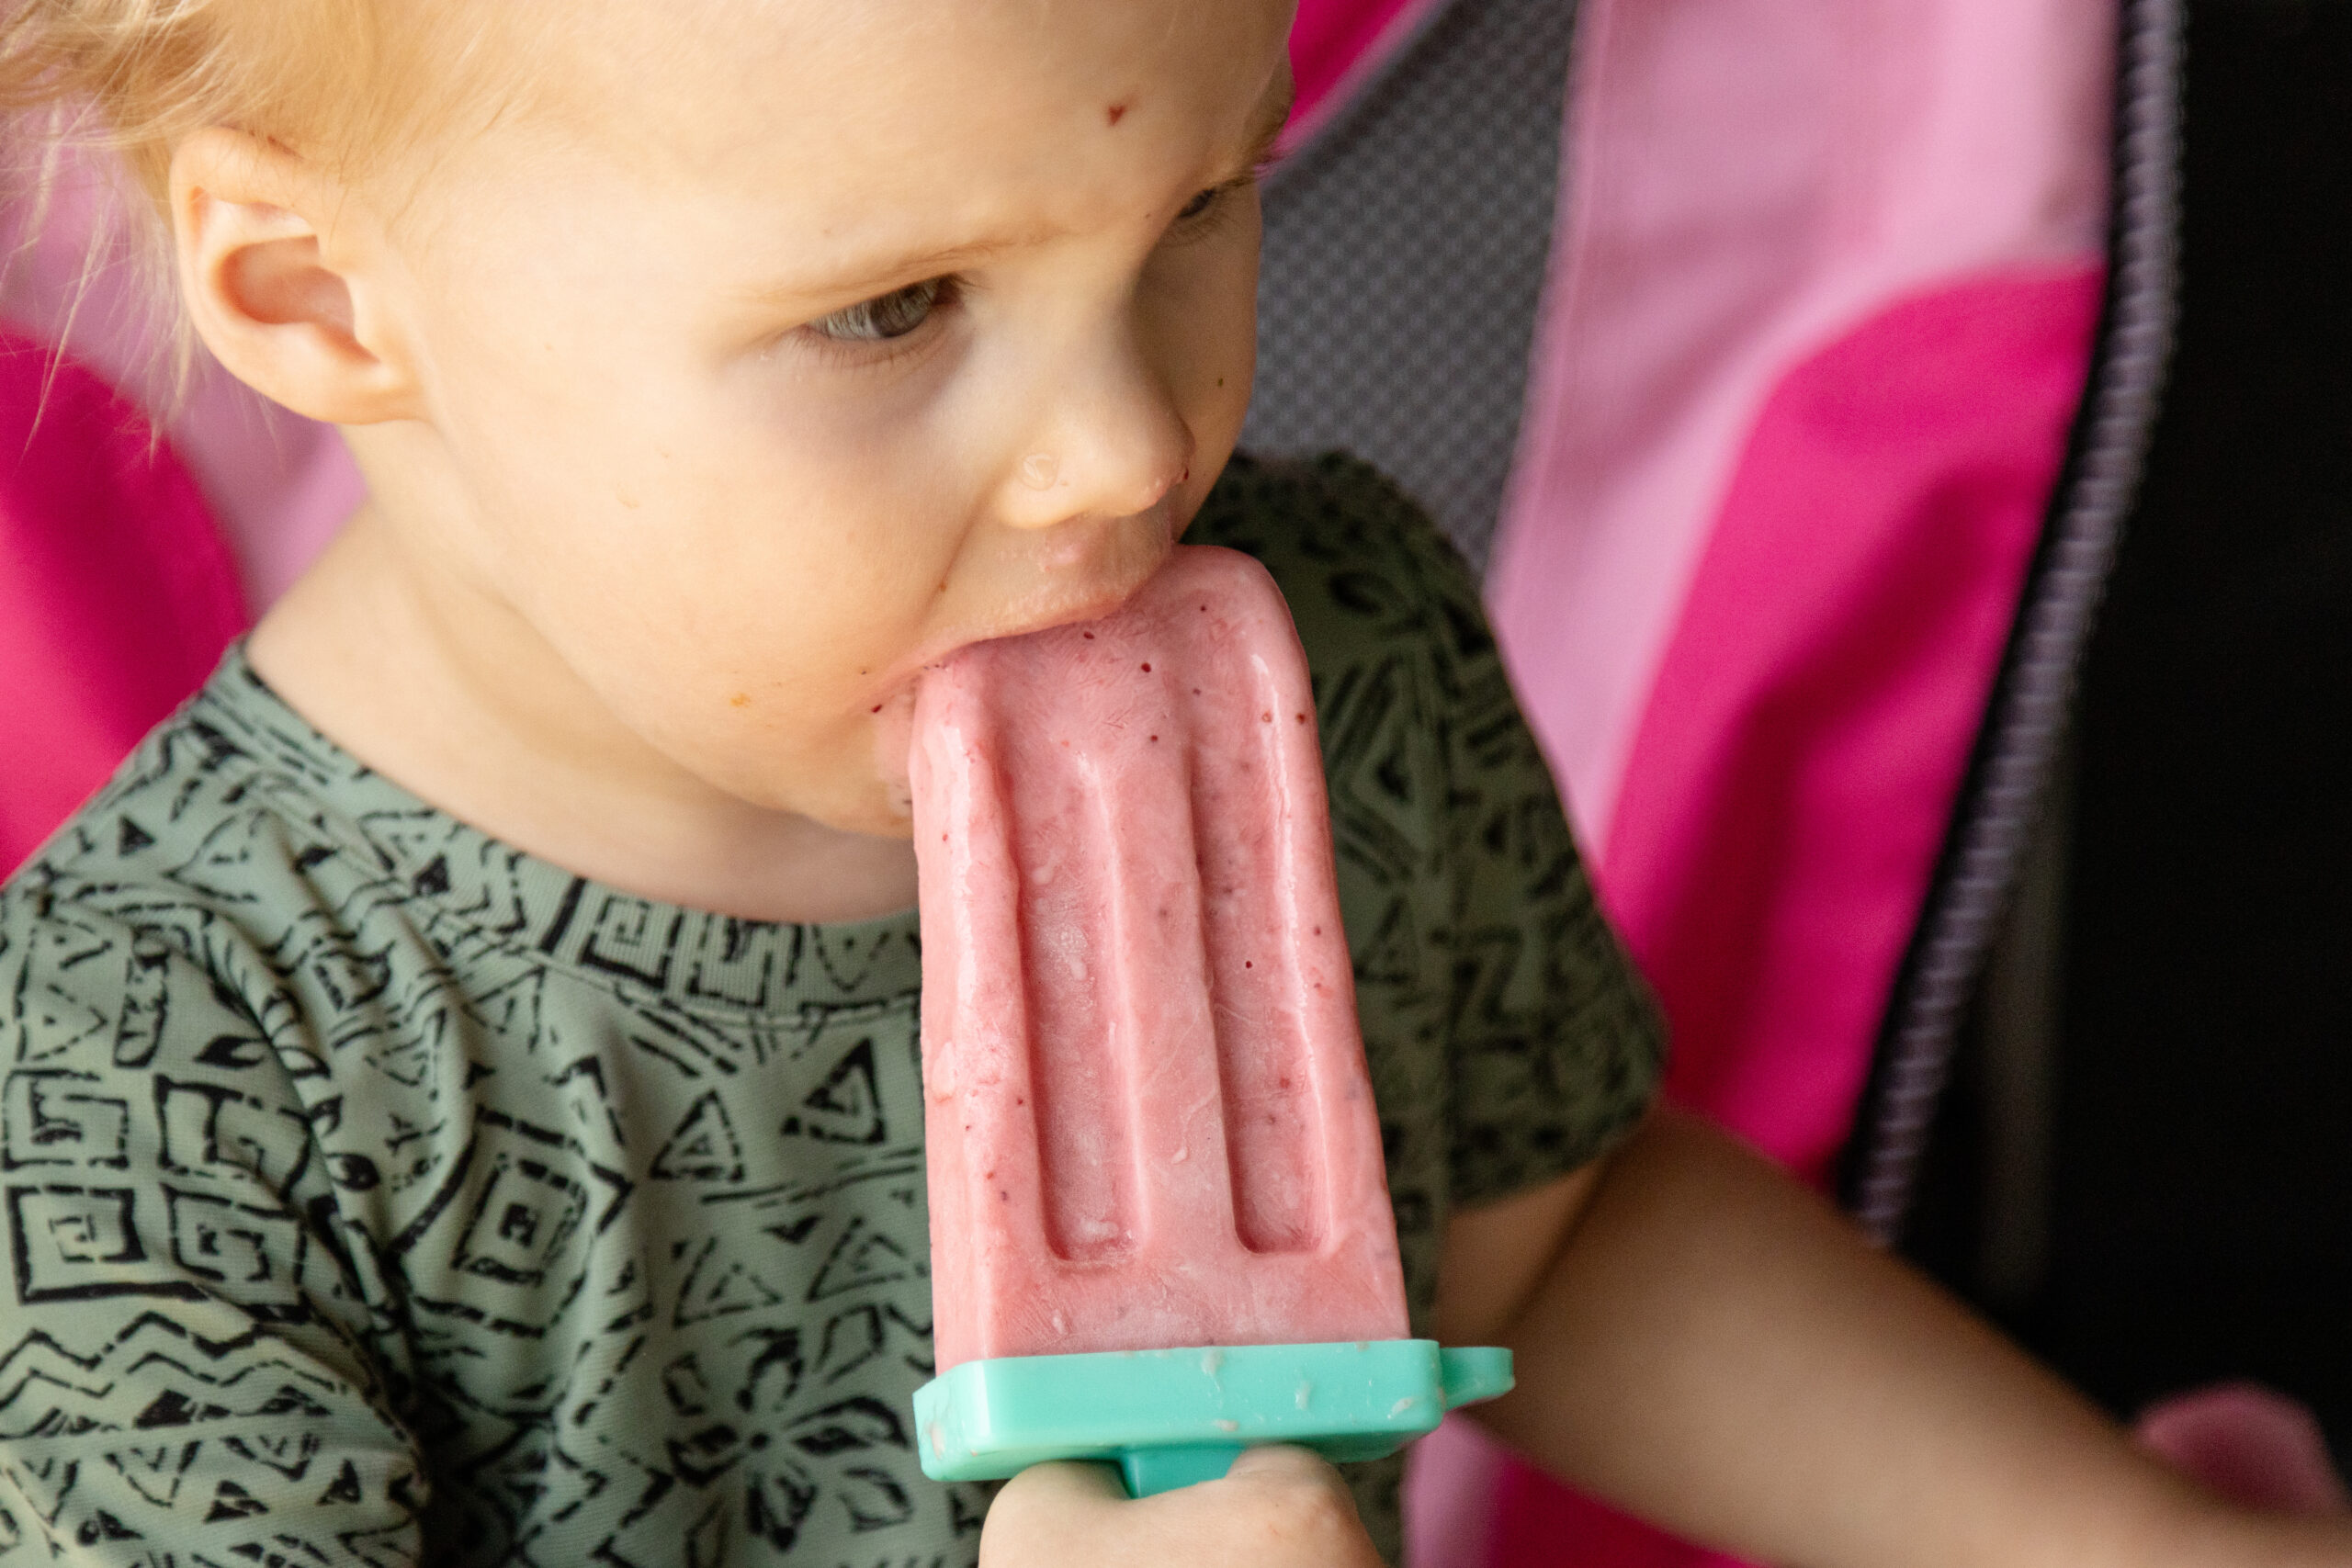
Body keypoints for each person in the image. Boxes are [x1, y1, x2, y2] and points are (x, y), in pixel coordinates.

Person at [0, 3, 2339, 1565]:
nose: (1129, 450)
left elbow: (1558, 1220)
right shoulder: (141, 1074)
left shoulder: (1330, 660)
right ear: (314, 294)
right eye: (892, 308)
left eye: (1202, 210)